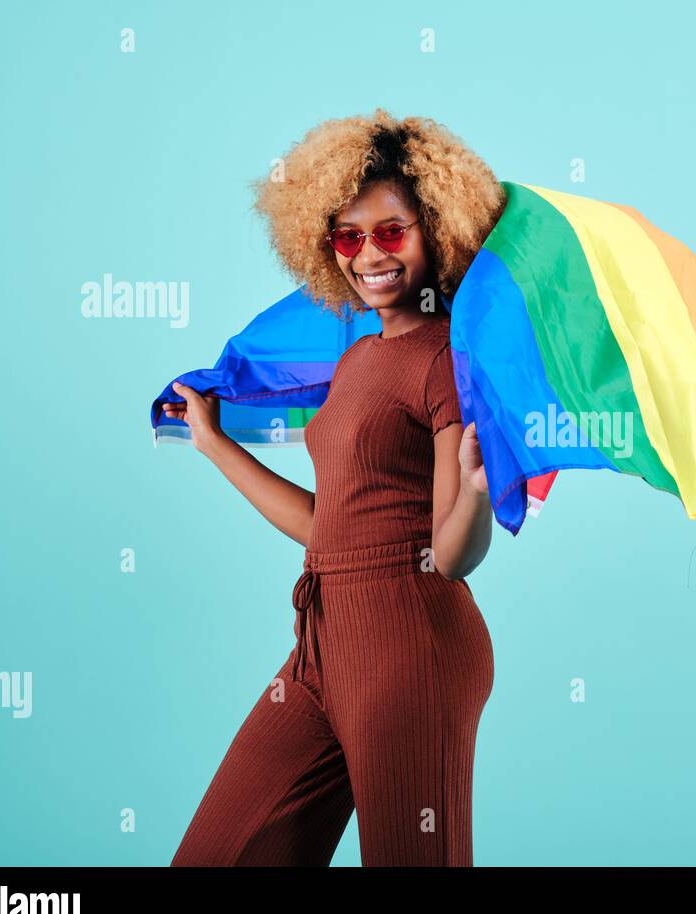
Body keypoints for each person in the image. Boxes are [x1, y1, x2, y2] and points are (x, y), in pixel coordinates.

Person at [162, 109, 505, 866]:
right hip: (321, 645)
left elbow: (450, 553)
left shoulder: (449, 358)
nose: (369, 256)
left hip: (410, 644)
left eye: (391, 231)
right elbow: (332, 526)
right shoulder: (356, 362)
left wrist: (477, 495)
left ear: (438, 230)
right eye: (349, 237)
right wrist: (215, 445)